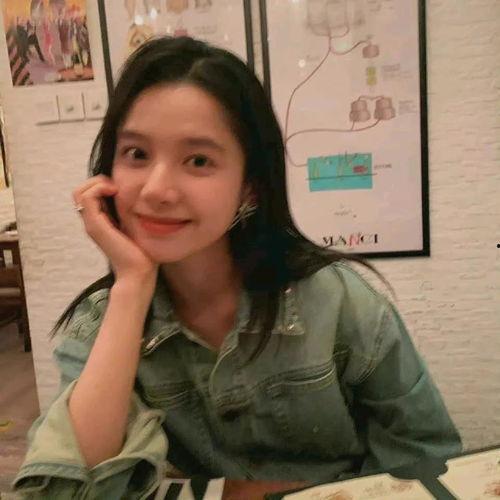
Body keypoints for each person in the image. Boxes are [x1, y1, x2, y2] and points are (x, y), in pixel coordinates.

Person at [13, 36, 461, 498]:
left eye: (198, 160)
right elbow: (67, 493)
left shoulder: (340, 304)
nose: (156, 190)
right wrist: (132, 284)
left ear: (250, 187)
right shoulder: (98, 326)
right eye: (137, 154)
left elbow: (426, 456)